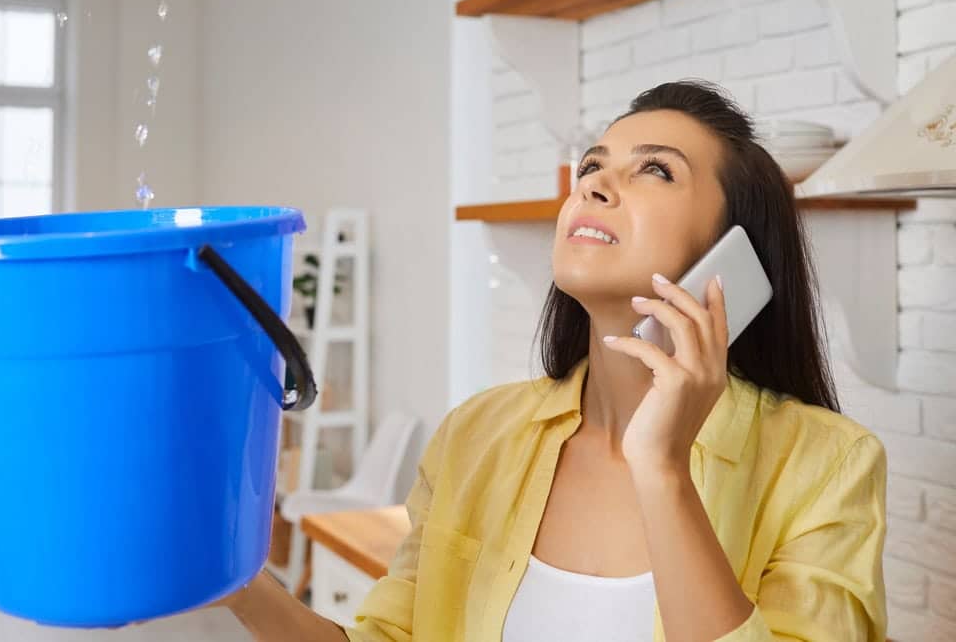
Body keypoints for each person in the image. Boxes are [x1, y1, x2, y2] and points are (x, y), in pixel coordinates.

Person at [214, 80, 888, 641]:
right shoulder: (474, 435)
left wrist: (662, 470)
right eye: (592, 166)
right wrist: (237, 581)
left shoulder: (828, 465)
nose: (592, 185)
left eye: (655, 169)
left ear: (734, 255)